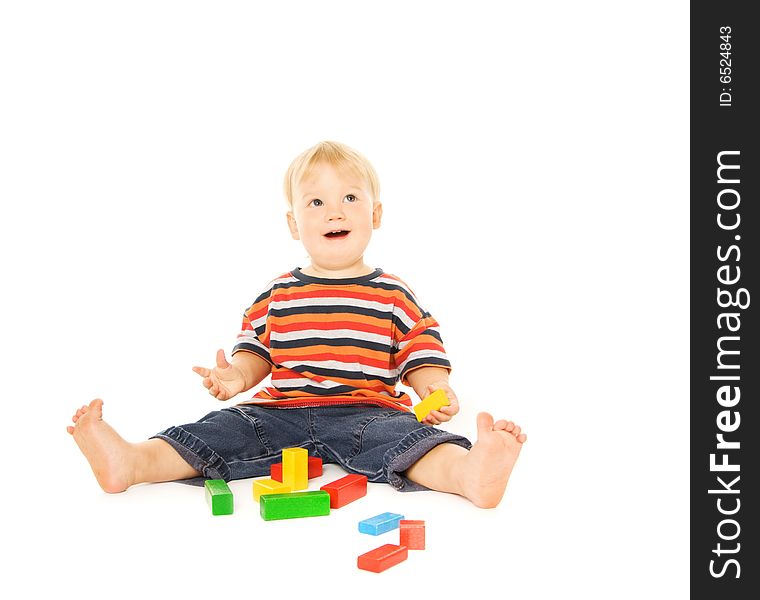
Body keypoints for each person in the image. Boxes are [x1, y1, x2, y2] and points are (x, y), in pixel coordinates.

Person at [66, 140, 527, 508]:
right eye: (316, 201)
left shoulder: (392, 294)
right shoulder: (278, 293)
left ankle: (468, 473)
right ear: (293, 223)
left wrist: (435, 387)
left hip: (367, 412)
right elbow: (256, 352)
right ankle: (132, 461)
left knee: (410, 441)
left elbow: (421, 347)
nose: (335, 211)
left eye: (350, 197)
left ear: (376, 214)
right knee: (219, 431)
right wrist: (235, 378)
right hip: (278, 412)